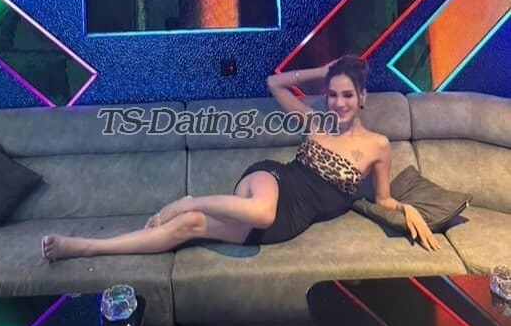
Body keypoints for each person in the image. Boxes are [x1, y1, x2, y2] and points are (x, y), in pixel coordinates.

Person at [41, 55, 440, 261]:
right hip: (271, 181)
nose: (338, 103)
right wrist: (322, 69)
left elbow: (383, 198)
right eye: (333, 94)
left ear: (363, 97)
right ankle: (188, 200)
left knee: (190, 227)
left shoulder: (378, 146)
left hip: (289, 221)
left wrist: (406, 209)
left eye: (348, 95)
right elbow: (274, 83)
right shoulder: (316, 120)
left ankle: (86, 247)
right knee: (260, 210)